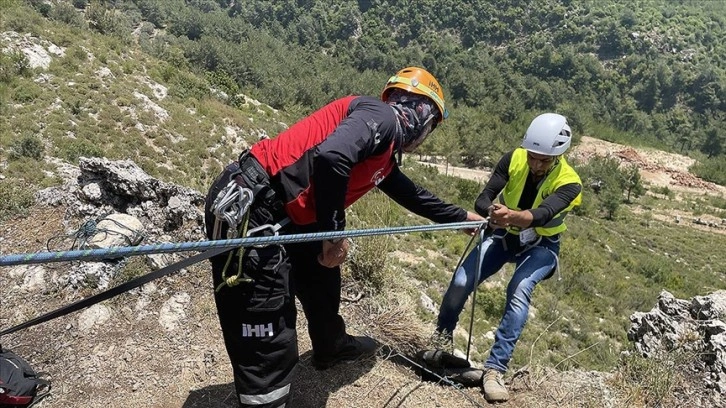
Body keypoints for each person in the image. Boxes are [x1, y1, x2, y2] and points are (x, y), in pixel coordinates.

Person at [204, 67, 485, 408]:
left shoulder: (382, 145)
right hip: (255, 211)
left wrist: (460, 218)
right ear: (426, 119)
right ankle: (264, 400)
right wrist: (333, 235)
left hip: (287, 212)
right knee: (265, 319)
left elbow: (411, 194)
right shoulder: (380, 117)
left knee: (322, 279)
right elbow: (332, 156)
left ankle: (331, 347)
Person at [435, 113, 583, 402]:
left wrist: (510, 216)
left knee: (518, 289)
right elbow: (485, 196)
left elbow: (541, 214)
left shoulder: (570, 183)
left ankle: (494, 370)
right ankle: (440, 342)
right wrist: (491, 211)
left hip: (542, 244)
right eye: (533, 157)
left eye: (544, 160)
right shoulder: (514, 158)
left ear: (559, 156)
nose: (536, 164)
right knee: (461, 280)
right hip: (505, 237)